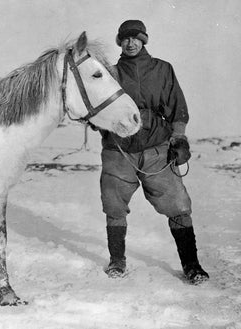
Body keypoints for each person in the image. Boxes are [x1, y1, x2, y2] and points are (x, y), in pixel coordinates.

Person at [99, 19, 209, 284]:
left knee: (178, 206)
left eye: (135, 38)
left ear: (144, 40)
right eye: (125, 38)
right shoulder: (109, 74)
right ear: (120, 42)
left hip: (156, 147)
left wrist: (179, 138)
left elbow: (176, 106)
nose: (130, 43)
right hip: (118, 150)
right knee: (114, 205)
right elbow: (97, 110)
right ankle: (117, 261)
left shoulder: (162, 69)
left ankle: (192, 265)